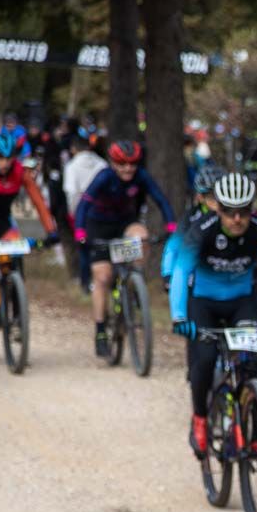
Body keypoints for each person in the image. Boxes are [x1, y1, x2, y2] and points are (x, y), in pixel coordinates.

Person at [168, 173, 257, 457]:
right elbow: (181, 270)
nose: (237, 219)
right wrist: (179, 316)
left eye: (243, 211)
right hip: (204, 303)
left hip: (241, 303)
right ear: (218, 208)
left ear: (251, 209)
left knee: (254, 364)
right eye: (229, 212)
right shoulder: (202, 229)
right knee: (205, 359)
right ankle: (200, 418)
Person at [75, 139, 177, 358]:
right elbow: (83, 205)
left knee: (142, 237)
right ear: (113, 163)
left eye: (132, 164)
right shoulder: (103, 177)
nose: (127, 168)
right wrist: (81, 233)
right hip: (99, 227)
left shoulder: (141, 176)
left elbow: (160, 199)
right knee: (102, 278)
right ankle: (101, 330)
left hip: (124, 224)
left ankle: (134, 279)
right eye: (122, 164)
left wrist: (171, 225)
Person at [0, 131, 60, 319]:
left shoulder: (20, 173)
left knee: (15, 260)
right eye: (0, 158)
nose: (5, 163)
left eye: (9, 158)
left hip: (2, 222)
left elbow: (38, 201)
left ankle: (16, 318)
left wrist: (50, 231)